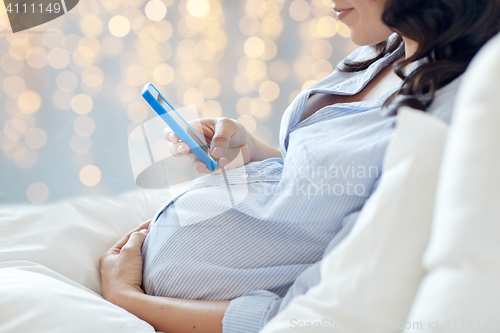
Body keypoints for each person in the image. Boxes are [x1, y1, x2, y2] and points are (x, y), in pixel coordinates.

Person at [99, 0, 500, 332]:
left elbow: (306, 316)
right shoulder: (389, 48)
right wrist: (252, 149)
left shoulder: (450, 115)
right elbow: (326, 193)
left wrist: (128, 300)